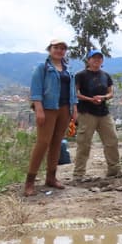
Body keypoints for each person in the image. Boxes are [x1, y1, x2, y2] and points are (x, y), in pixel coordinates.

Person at [24, 37, 77, 196]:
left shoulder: (67, 69)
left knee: (57, 143)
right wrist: (39, 109)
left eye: (62, 48)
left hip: (64, 109)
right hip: (48, 108)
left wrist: (74, 108)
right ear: (50, 49)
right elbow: (36, 89)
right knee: (42, 143)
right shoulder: (43, 67)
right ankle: (29, 182)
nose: (59, 51)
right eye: (56, 48)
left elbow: (72, 91)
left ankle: (51, 177)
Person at [72, 50, 121, 180]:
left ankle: (114, 170)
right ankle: (78, 173)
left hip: (103, 112)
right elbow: (75, 93)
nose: (97, 60)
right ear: (88, 60)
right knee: (84, 143)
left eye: (99, 58)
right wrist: (89, 99)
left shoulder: (105, 76)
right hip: (86, 112)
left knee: (112, 140)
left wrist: (103, 97)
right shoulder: (80, 75)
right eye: (94, 58)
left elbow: (111, 93)